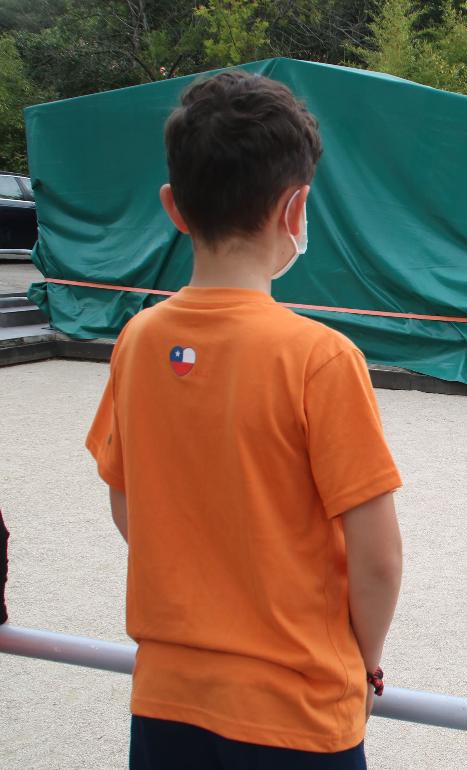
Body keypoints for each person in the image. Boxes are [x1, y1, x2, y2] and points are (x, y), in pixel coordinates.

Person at [85, 72, 404, 768]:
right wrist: (365, 655)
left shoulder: (138, 339)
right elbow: (377, 558)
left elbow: (124, 499)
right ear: (297, 211)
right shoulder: (321, 356)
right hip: (296, 711)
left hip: (168, 702)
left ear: (174, 207)